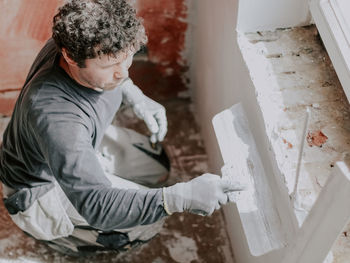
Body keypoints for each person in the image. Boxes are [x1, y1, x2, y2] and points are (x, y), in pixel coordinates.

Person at [0, 0, 240, 256]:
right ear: (70, 56)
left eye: (127, 59)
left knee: (159, 170)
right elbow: (97, 205)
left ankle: (92, 175)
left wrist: (135, 96)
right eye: (109, 66)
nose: (122, 73)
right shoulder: (58, 120)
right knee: (146, 221)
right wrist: (177, 198)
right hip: (40, 189)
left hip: (77, 147)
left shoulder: (82, 40)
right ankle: (61, 236)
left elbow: (116, 67)